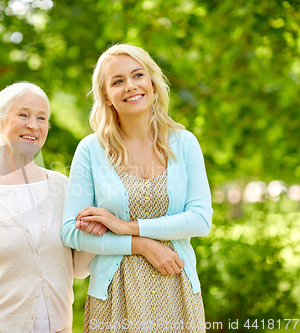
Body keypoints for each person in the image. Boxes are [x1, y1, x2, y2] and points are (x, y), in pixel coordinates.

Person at [61, 44, 213, 332]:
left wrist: (125, 226)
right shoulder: (91, 150)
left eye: (137, 75)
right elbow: (71, 231)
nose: (130, 86)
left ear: (153, 84)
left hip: (177, 291)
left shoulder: (185, 143)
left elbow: (201, 220)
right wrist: (140, 245)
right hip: (114, 297)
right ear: (106, 96)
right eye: (117, 81)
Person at [0, 82, 94, 333]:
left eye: (42, 117)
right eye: (23, 114)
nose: (33, 124)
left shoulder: (62, 188)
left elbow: (78, 269)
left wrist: (90, 235)